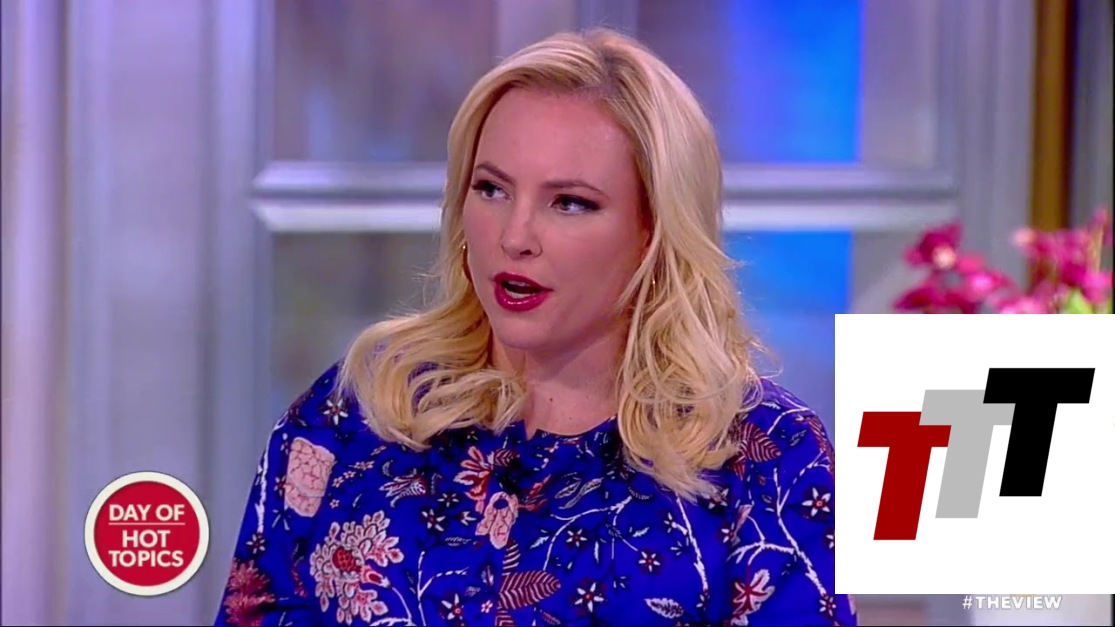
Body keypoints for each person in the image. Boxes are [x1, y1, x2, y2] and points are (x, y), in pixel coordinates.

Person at [217, 27, 856, 627]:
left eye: (570, 202)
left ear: (653, 232)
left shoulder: (764, 456)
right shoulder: (356, 415)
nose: (515, 236)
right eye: (492, 189)